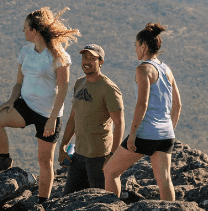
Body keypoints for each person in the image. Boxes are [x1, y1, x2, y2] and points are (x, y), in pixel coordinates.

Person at [0, 7, 81, 200]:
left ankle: (43, 202)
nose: (23, 31)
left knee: (45, 161)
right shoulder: (25, 52)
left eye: (25, 27)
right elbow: (19, 82)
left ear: (34, 31)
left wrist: (52, 119)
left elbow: (63, 90)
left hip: (48, 114)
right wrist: (11, 100)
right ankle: (4, 160)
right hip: (25, 105)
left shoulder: (58, 55)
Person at [102, 23, 183, 201]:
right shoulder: (166, 69)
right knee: (164, 181)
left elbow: (142, 105)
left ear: (144, 46)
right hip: (166, 135)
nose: (136, 49)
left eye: (136, 45)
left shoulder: (143, 69)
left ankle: (111, 207)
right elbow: (177, 105)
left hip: (146, 134)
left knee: (110, 171)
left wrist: (132, 134)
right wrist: (169, 130)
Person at [55, 44, 126, 195]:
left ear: (101, 62)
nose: (86, 61)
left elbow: (119, 124)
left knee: (101, 200)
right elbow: (73, 118)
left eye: (92, 58)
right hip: (79, 155)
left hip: (99, 157)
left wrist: (112, 156)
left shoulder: (109, 88)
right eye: (84, 57)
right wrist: (63, 146)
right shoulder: (79, 83)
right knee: (68, 200)